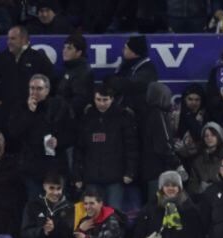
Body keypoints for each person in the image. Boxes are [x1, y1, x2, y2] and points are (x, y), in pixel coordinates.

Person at [72, 83, 138, 211]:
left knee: (114, 213)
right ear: (94, 99)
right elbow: (79, 149)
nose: (101, 103)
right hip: (91, 176)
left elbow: (131, 147)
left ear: (112, 99)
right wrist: (77, 175)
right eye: (98, 100)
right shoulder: (87, 117)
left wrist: (130, 172)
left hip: (116, 177)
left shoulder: (123, 117)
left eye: (105, 100)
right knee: (91, 214)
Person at [8, 74, 75, 199]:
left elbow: (72, 133)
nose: (35, 92)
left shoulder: (59, 106)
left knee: (59, 209)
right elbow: (14, 133)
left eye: (39, 89)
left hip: (56, 168)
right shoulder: (21, 107)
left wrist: (58, 141)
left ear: (47, 90)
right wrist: (29, 112)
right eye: (32, 88)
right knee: (36, 208)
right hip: (32, 168)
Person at [0, 25, 54, 132]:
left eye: (13, 38)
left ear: (23, 39)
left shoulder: (38, 58)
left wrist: (41, 103)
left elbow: (51, 81)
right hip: (6, 114)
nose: (8, 42)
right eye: (8, 38)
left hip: (30, 114)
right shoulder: (2, 58)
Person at [57, 33, 93, 121]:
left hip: (71, 121)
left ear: (79, 53)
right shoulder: (70, 67)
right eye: (64, 47)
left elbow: (78, 102)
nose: (64, 51)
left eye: (69, 48)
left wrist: (59, 113)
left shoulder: (82, 72)